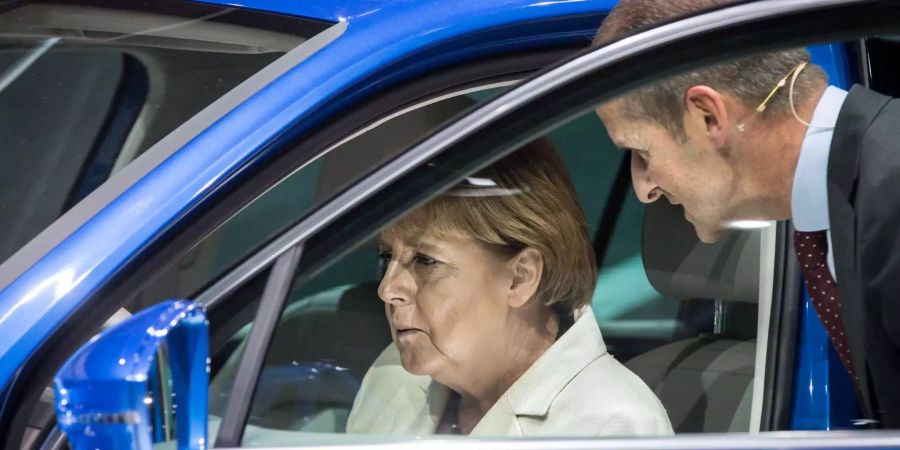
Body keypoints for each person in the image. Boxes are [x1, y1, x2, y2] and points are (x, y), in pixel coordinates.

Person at [593, 0, 900, 427]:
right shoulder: (851, 197)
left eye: (642, 152)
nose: (644, 189)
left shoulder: (892, 191)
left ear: (707, 115)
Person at [346, 139, 672, 437]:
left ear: (520, 277)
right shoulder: (389, 377)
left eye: (425, 261)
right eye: (388, 256)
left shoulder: (615, 428)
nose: (388, 289)